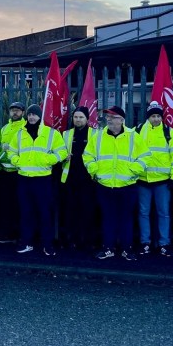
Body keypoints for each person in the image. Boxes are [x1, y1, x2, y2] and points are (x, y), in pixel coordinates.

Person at [84, 106, 149, 260]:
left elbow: (145, 156)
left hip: (127, 186)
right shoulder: (98, 136)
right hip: (105, 185)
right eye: (108, 117)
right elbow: (87, 155)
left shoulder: (133, 136)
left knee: (126, 218)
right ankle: (108, 248)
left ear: (121, 120)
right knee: (108, 218)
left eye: (113, 117)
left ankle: (127, 249)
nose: (109, 120)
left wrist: (133, 170)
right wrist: (95, 171)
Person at [9, 104, 68, 256]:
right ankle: (26, 242)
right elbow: (11, 152)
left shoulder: (51, 133)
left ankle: (47, 245)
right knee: (26, 212)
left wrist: (48, 160)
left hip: (43, 179)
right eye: (29, 114)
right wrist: (17, 161)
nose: (31, 117)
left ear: (40, 116)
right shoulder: (20, 133)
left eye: (34, 114)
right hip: (24, 178)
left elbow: (62, 152)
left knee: (45, 213)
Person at [136, 101, 173, 257]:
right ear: (148, 117)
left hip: (163, 181)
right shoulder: (138, 131)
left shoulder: (169, 132)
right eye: (153, 116)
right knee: (143, 213)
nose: (156, 119)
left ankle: (164, 243)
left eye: (158, 116)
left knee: (163, 213)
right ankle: (145, 243)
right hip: (142, 180)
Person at [59, 106, 98, 251]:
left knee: (88, 211)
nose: (78, 120)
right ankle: (71, 240)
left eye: (81, 117)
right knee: (70, 211)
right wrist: (64, 157)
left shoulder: (95, 134)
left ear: (87, 119)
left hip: (88, 179)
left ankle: (88, 241)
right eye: (75, 117)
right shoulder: (66, 134)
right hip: (70, 179)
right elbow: (59, 152)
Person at [0, 101, 26, 243]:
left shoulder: (25, 127)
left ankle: (18, 235)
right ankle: (5, 233)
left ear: (23, 112)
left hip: (19, 173)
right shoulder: (4, 128)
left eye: (17, 110)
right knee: (5, 205)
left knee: (19, 205)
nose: (15, 112)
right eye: (12, 110)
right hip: (5, 173)